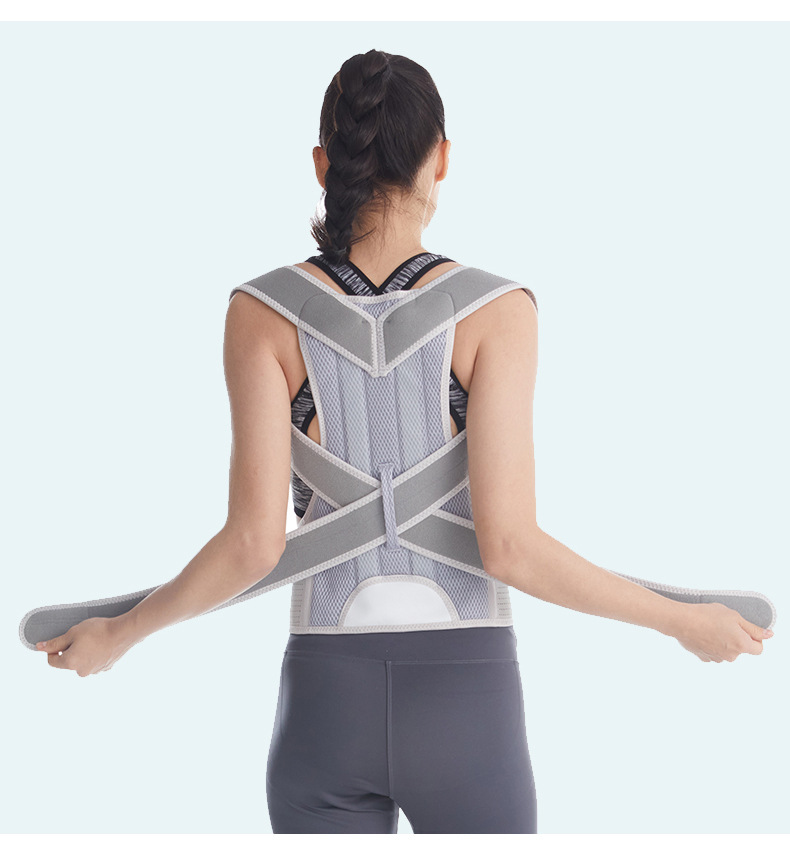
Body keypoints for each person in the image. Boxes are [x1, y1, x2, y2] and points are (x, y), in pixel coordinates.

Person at [35, 49, 774, 834]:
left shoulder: (261, 312)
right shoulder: (497, 312)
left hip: (323, 705)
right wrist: (680, 620)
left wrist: (122, 634)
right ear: (442, 158)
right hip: (467, 708)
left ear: (323, 164)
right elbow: (511, 548)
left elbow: (252, 545)